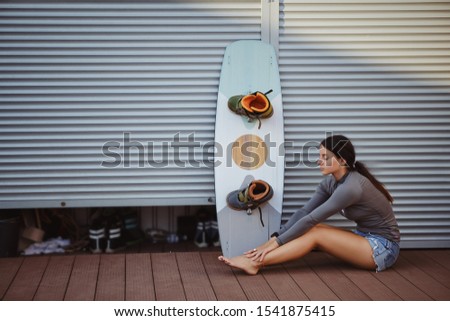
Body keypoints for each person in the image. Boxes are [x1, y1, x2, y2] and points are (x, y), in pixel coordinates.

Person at [218, 134, 400, 274]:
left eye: (325, 157)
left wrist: (276, 243)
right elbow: (305, 212)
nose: (318, 160)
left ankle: (255, 262)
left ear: (342, 160)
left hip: (383, 249)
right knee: (314, 228)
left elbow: (312, 219)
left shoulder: (352, 187)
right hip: (364, 238)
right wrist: (272, 240)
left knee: (315, 232)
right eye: (319, 155)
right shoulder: (331, 182)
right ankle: (257, 257)